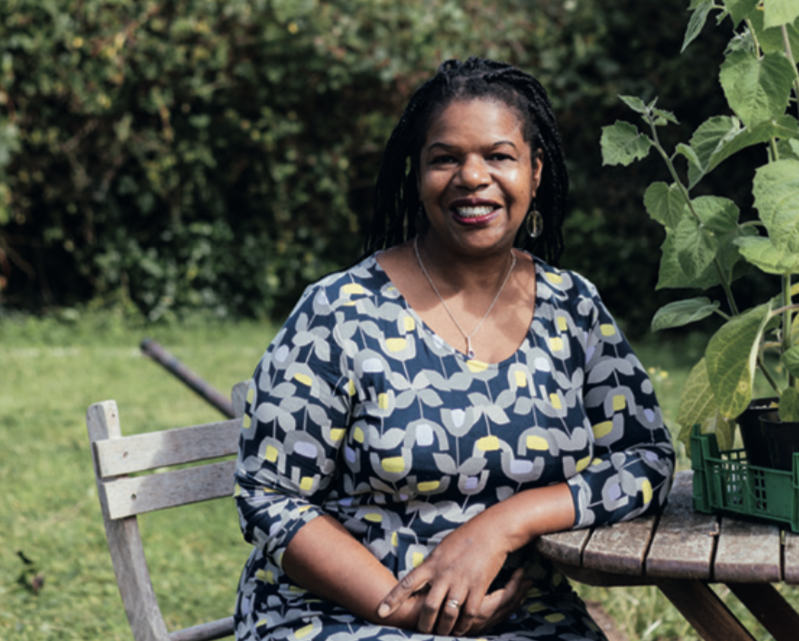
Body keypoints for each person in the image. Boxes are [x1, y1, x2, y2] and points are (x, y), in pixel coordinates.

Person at [233, 57, 675, 641]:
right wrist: (407, 612)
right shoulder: (341, 312)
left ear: (535, 172)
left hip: (523, 620)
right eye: (446, 158)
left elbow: (646, 457)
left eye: (498, 156)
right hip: (342, 618)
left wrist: (503, 525)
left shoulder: (573, 309)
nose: (472, 177)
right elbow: (270, 495)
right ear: (417, 176)